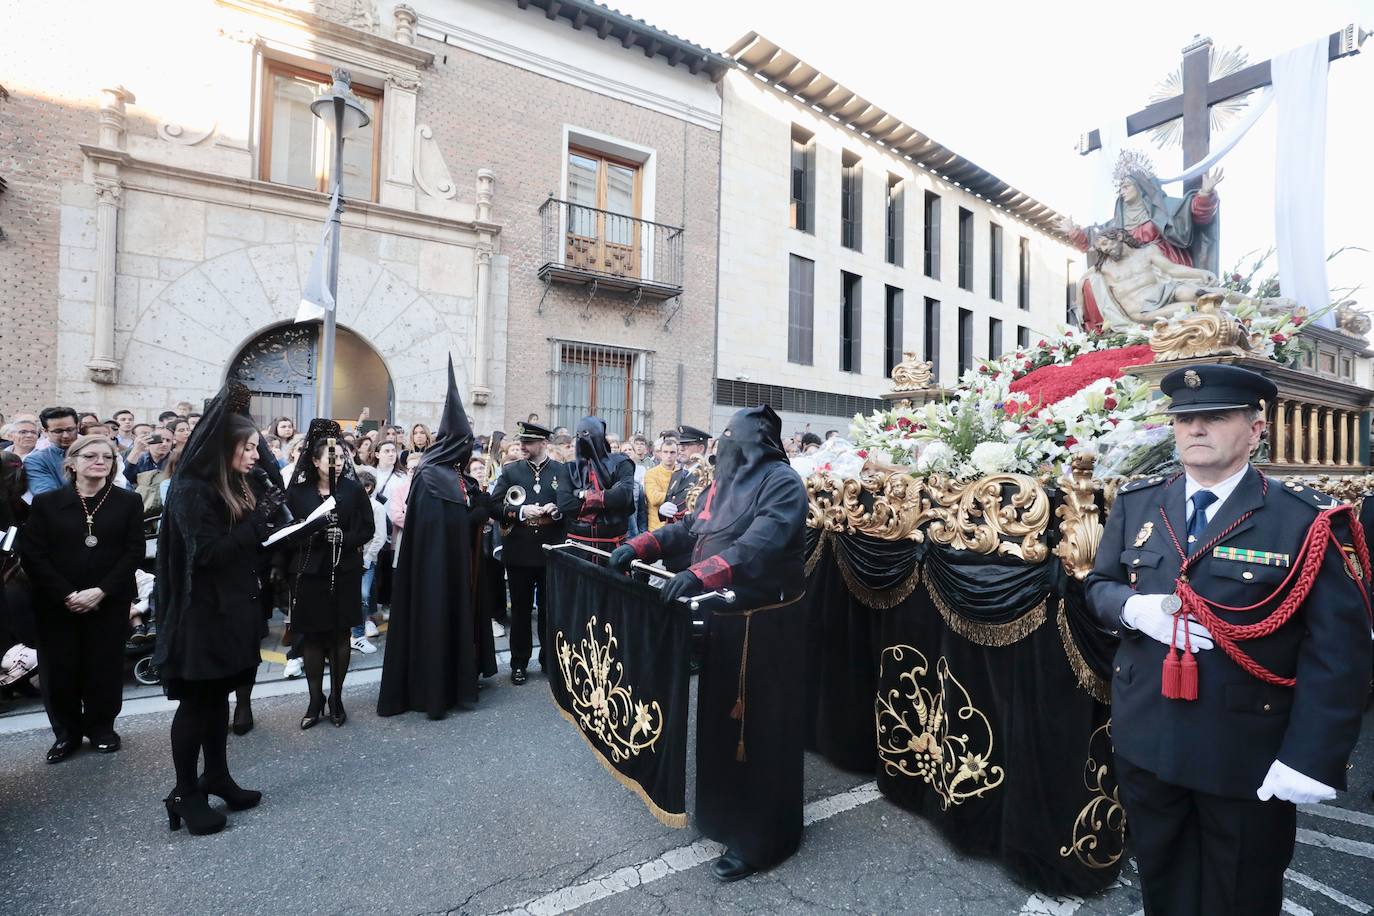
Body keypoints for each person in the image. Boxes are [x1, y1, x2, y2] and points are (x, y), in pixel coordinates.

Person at [1084, 364, 1371, 916]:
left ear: (1256, 429)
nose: (1196, 428)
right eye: (1184, 418)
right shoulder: (1139, 502)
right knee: (1162, 883)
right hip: (1148, 735)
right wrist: (1134, 609)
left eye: (1215, 417)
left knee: (1241, 892)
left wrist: (1310, 756)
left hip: (1244, 750)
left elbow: (1339, 651)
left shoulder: (1306, 519)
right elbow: (1098, 587)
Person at [609, 405, 809, 881]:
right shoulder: (722, 483)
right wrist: (639, 546)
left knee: (758, 733)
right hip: (723, 621)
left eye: (731, 439)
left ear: (755, 444)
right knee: (720, 725)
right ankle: (722, 816)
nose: (723, 447)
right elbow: (689, 528)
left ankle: (762, 839)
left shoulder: (783, 483)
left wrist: (702, 574)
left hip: (765, 630)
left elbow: (760, 545)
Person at [154, 383, 286, 835]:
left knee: (218, 701)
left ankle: (217, 776)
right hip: (202, 616)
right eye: (247, 447)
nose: (255, 455)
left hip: (232, 609)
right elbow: (207, 555)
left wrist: (278, 527)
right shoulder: (192, 489)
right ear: (223, 448)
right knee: (197, 704)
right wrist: (259, 521)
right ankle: (184, 793)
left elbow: (244, 544)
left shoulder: (233, 483)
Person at [378, 359, 496, 719]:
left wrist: (481, 504)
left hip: (461, 566)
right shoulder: (430, 475)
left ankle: (462, 678)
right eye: (465, 443)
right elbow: (441, 525)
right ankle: (435, 691)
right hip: (436, 571)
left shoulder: (455, 475)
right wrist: (474, 515)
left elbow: (465, 509)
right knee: (437, 622)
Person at [19, 435, 144, 764]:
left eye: (107, 456)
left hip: (108, 599)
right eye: (90, 456)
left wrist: (101, 590)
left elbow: (133, 551)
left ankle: (102, 729)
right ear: (71, 463)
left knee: (104, 667)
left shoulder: (128, 501)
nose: (100, 461)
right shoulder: (47, 502)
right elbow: (33, 554)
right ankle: (67, 734)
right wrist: (66, 593)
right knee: (59, 670)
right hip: (57, 602)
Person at [278, 421, 374, 727]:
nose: (337, 462)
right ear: (315, 461)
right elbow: (285, 531)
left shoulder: (353, 489)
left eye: (341, 457)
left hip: (344, 571)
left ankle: (336, 698)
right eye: (331, 458)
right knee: (313, 638)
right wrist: (311, 531)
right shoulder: (298, 492)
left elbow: (368, 528)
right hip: (308, 572)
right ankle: (314, 699)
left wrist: (344, 537)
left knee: (340, 635)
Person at [491, 421, 567, 684]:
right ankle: (519, 663)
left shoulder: (561, 471)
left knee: (549, 611)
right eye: (522, 441)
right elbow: (494, 507)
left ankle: (549, 661)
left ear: (543, 443)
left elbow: (570, 506)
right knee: (521, 612)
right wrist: (521, 511)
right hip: (519, 551)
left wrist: (557, 511)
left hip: (549, 551)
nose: (523, 446)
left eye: (529, 442)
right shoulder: (511, 471)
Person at [557, 416, 635, 550]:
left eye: (588, 434)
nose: (584, 439)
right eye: (580, 435)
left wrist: (583, 495)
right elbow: (564, 504)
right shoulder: (569, 468)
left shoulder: (621, 464)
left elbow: (623, 496)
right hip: (577, 547)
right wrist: (606, 499)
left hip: (612, 546)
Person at [352, 466, 387, 647]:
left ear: (369, 488)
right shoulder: (349, 504)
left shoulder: (377, 508)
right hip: (349, 556)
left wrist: (368, 558)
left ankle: (358, 634)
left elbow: (380, 537)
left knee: (363, 594)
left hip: (366, 557)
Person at [23, 407, 81, 496]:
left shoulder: (97, 453)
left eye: (70, 430)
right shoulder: (36, 460)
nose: (65, 435)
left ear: (78, 427)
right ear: (45, 431)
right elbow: (47, 497)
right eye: (58, 431)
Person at [644, 436, 679, 531]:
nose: (669, 456)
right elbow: (654, 498)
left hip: (676, 526)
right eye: (665, 452)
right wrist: (678, 496)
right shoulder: (651, 473)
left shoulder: (681, 473)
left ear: (677, 454)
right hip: (656, 527)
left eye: (672, 452)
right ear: (660, 453)